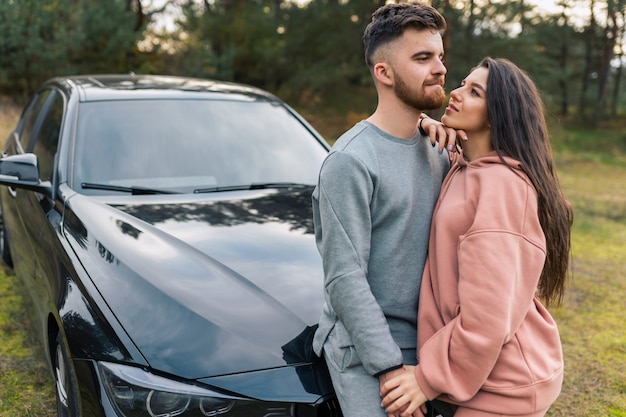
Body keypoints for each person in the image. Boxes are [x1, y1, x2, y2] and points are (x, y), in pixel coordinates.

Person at [380, 57, 574, 417]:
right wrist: (422, 123)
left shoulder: (501, 187)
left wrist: (426, 379)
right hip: (483, 376)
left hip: (503, 386)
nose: (455, 92)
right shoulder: (469, 166)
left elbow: (488, 317)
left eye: (474, 92)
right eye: (463, 84)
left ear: (498, 113)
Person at [310, 2, 461, 417]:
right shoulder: (350, 162)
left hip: (435, 343)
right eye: (422, 58)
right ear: (385, 73)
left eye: (440, 56)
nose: (440, 68)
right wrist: (390, 369)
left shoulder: (440, 148)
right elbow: (344, 278)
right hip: (370, 353)